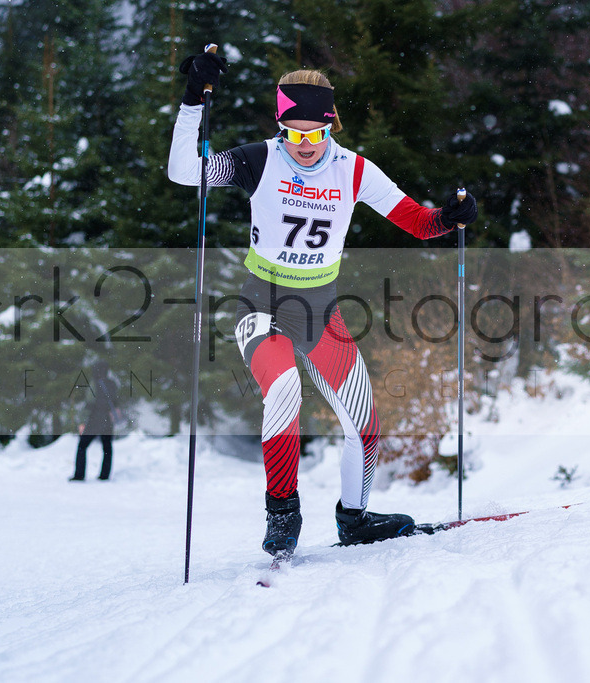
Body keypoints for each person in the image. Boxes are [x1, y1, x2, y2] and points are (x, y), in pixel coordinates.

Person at [167, 52, 478, 556]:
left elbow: (418, 223)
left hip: (318, 310)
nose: (305, 145)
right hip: (260, 304)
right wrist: (190, 102)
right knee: (284, 389)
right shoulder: (258, 159)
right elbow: (186, 172)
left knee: (365, 424)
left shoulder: (352, 169)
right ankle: (283, 514)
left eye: (316, 134)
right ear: (280, 125)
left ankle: (354, 520)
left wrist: (451, 216)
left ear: (331, 124)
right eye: (294, 133)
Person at [70, 361, 119, 481]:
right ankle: (105, 475)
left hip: (95, 419)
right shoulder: (112, 384)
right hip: (108, 419)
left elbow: (90, 404)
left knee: (82, 446)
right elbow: (116, 402)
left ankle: (79, 475)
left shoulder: (95, 384)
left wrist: (82, 422)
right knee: (107, 447)